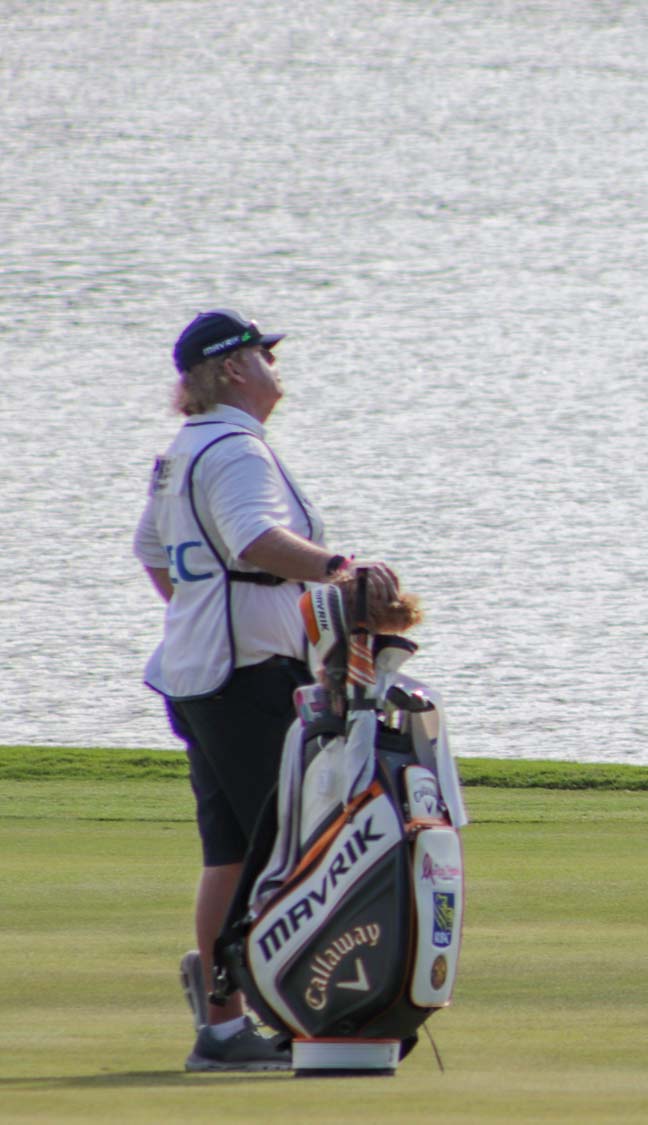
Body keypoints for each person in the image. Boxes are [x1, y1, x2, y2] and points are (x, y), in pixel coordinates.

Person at [133, 309, 363, 1072]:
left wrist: (203, 613)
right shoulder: (234, 449)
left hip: (202, 672)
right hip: (245, 677)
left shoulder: (186, 449)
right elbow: (253, 541)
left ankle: (226, 1024)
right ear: (233, 369)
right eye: (262, 352)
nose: (273, 363)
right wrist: (339, 570)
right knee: (289, 849)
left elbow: (153, 555)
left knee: (230, 851)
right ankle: (282, 1005)